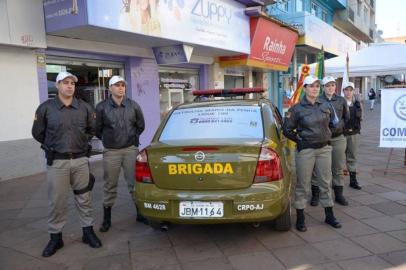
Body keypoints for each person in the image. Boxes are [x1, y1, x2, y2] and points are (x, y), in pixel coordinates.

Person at [32, 72, 102, 257]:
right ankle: (56, 237)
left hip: (80, 161)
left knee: (84, 198)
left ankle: (88, 232)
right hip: (58, 162)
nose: (69, 86)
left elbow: (91, 129)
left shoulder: (84, 108)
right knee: (57, 201)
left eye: (72, 83)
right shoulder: (46, 108)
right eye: (65, 82)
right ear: (58, 85)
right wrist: (53, 145)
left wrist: (81, 142)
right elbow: (37, 132)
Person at [283, 75, 341, 232]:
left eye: (317, 86)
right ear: (305, 88)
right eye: (311, 86)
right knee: (303, 184)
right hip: (306, 150)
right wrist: (300, 139)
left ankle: (329, 215)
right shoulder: (296, 109)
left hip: (324, 149)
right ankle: (300, 218)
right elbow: (287, 129)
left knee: (325, 182)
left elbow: (335, 124)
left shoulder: (326, 105)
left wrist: (328, 134)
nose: (315, 88)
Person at [96, 75, 145, 232]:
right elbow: (96, 129)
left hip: (130, 150)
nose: (121, 87)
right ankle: (107, 219)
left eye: (123, 85)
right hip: (111, 151)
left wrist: (133, 140)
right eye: (117, 85)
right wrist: (107, 139)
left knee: (134, 184)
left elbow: (140, 125)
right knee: (110, 185)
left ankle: (141, 214)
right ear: (110, 88)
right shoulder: (102, 107)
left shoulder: (133, 106)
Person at [310, 76, 350, 206]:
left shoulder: (341, 100)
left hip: (338, 138)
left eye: (332, 85)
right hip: (322, 139)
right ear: (323, 87)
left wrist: (339, 126)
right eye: (327, 85)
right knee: (318, 168)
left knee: (338, 167)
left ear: (335, 87)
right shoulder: (317, 100)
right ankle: (316, 195)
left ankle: (338, 195)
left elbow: (346, 117)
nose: (330, 88)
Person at [343, 82, 362, 189]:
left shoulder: (357, 104)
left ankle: (353, 180)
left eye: (351, 90)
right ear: (343, 91)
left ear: (353, 91)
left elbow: (360, 118)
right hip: (342, 134)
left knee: (352, 157)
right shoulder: (340, 103)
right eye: (346, 89)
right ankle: (337, 182)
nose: (349, 92)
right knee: (338, 159)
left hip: (353, 134)